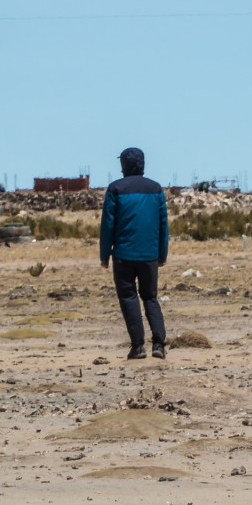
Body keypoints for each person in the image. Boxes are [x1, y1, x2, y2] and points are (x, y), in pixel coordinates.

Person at [99, 147, 170, 359]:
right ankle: (159, 345)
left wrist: (104, 255)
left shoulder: (115, 189)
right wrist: (162, 253)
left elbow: (108, 225)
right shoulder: (155, 189)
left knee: (129, 298)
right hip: (149, 254)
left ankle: (138, 346)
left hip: (123, 255)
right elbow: (162, 224)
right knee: (150, 298)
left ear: (123, 165)